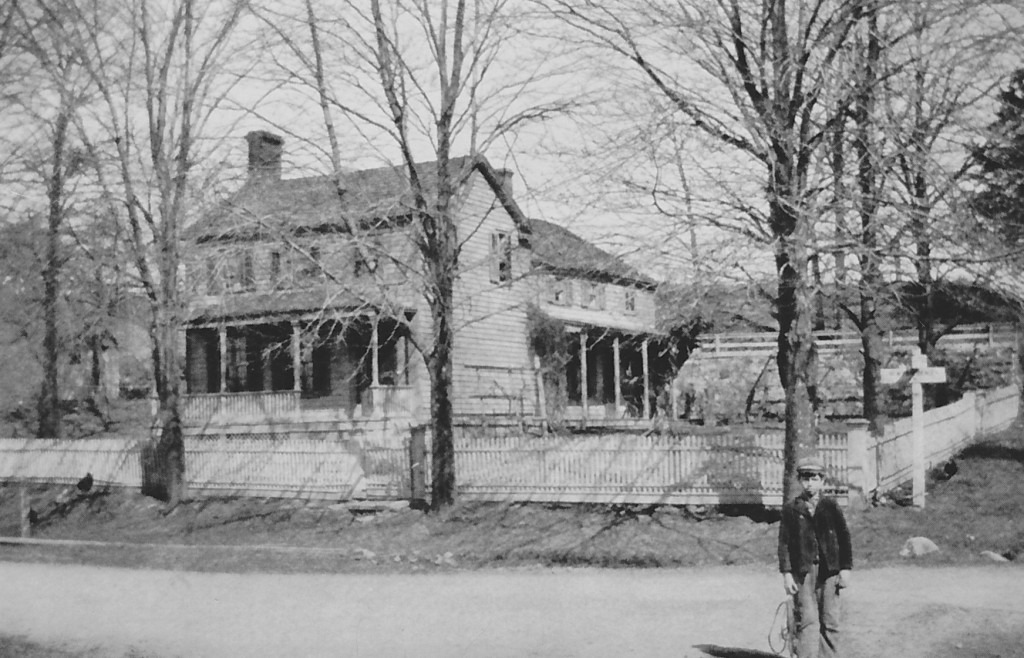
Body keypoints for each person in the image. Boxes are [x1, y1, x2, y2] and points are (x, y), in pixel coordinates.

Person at [778, 456, 852, 658]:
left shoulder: (831, 507)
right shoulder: (791, 509)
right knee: (806, 620)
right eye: (805, 479)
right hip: (803, 572)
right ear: (800, 481)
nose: (810, 483)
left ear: (823, 481)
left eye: (814, 479)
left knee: (830, 620)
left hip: (829, 571)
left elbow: (844, 538)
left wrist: (845, 568)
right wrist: (786, 573)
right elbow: (784, 543)